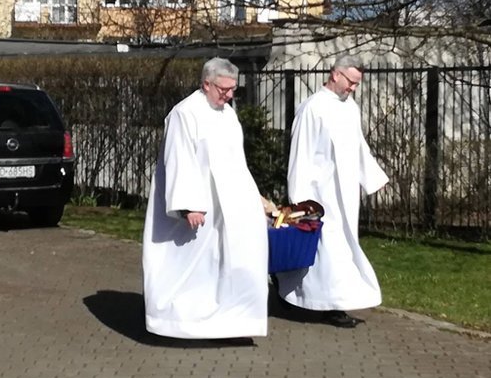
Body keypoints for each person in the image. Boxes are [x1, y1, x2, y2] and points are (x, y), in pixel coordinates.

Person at [142, 57, 269, 339]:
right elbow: (178, 158)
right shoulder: (185, 113)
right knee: (189, 267)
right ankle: (179, 322)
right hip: (199, 209)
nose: (229, 95)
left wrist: (251, 196)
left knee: (230, 260)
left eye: (233, 89)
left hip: (229, 207)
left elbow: (236, 160)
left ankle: (230, 321)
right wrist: (189, 205)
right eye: (223, 89)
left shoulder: (228, 114)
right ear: (206, 84)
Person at [277, 55, 389, 328]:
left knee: (337, 248)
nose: (353, 88)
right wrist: (299, 199)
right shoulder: (313, 108)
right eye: (351, 81)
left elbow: (358, 145)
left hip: (345, 192)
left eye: (357, 83)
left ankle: (313, 298)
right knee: (326, 249)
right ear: (335, 74)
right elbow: (300, 153)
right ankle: (329, 306)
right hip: (320, 193)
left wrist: (372, 177)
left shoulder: (350, 108)